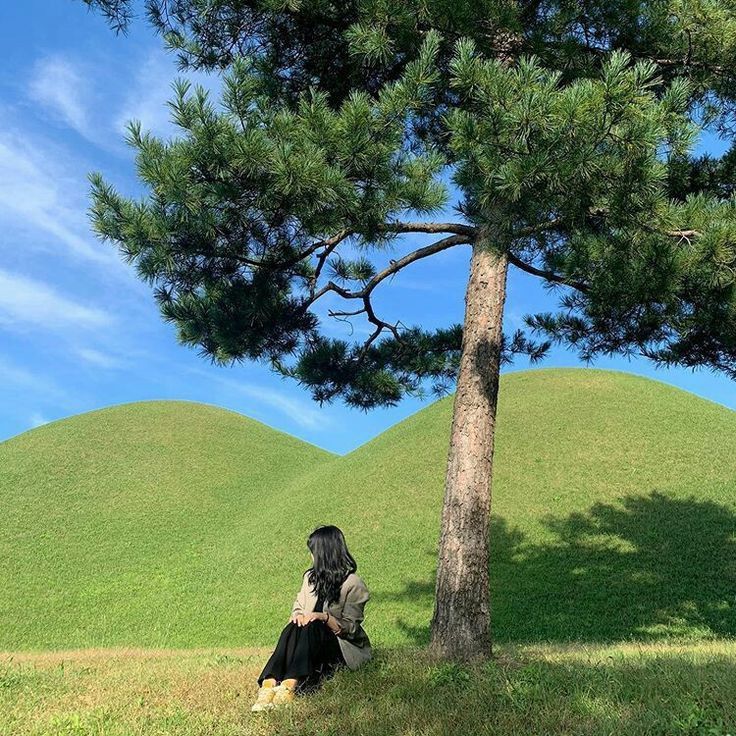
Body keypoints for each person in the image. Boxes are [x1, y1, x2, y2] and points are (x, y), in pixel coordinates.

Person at [250, 525, 372, 711]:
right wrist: (299, 616)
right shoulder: (310, 578)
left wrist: (322, 617)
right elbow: (298, 607)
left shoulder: (353, 584)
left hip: (339, 646)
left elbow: (351, 629)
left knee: (315, 625)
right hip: (308, 641)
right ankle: (269, 684)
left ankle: (290, 685)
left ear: (324, 554)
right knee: (292, 626)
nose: (311, 557)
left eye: (313, 552)